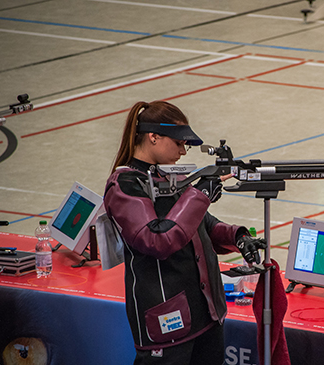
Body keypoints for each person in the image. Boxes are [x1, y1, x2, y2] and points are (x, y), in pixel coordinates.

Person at [103, 100, 266, 365]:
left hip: (206, 315)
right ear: (153, 137)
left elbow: (201, 225)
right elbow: (157, 240)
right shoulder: (125, 184)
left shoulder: (168, 178)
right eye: (178, 143)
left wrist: (237, 236)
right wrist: (199, 194)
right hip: (166, 323)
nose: (183, 151)